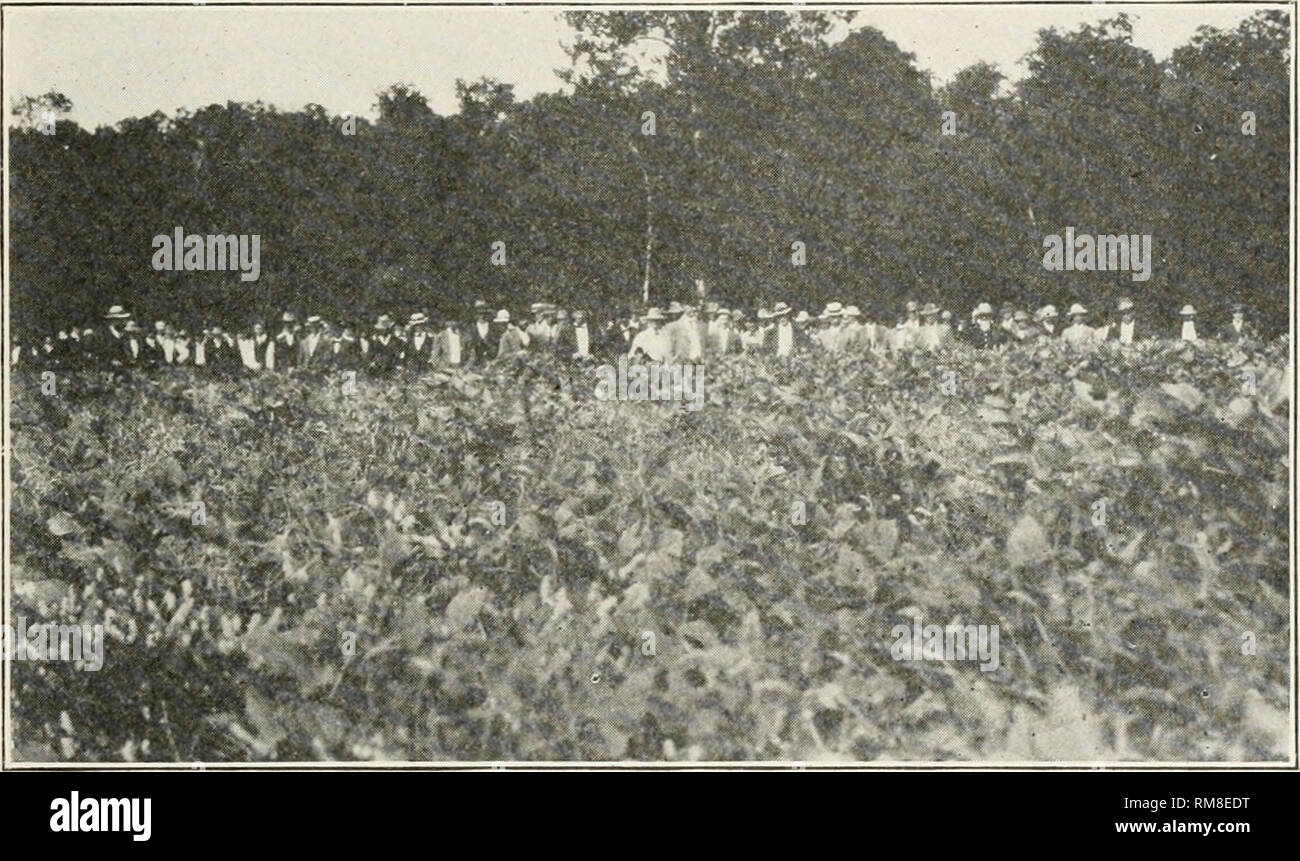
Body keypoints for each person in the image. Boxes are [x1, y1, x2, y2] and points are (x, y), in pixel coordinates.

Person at [465, 300, 496, 365]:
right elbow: (469, 345)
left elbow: (494, 343)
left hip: (489, 360)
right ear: (475, 313)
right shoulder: (471, 327)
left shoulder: (491, 326)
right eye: (479, 312)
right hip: (474, 361)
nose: (481, 315)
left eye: (483, 312)